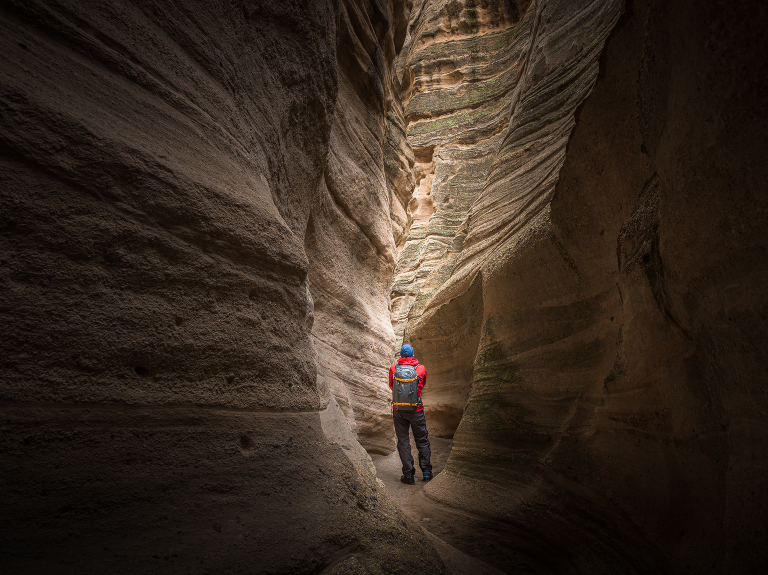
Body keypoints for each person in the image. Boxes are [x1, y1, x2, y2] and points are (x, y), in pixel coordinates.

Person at [389, 344, 433, 484]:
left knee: (403, 441)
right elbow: (422, 385)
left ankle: (408, 476)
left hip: (399, 411)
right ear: (413, 355)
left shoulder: (393, 369)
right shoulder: (421, 369)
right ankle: (426, 472)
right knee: (422, 440)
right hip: (416, 410)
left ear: (400, 356)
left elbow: (392, 386)